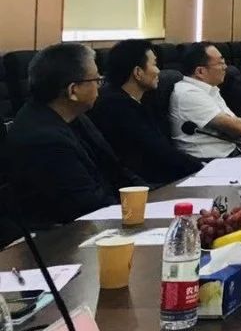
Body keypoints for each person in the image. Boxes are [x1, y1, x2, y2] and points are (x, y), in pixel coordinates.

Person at [2, 43, 146, 228]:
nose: (100, 86)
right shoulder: (43, 140)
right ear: (73, 90)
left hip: (104, 216)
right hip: (64, 235)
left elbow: (115, 169)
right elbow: (87, 205)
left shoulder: (74, 116)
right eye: (97, 80)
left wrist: (146, 198)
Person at [89, 39, 204, 185]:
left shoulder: (146, 98)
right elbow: (158, 150)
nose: (158, 71)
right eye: (154, 64)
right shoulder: (114, 106)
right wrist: (202, 168)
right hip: (140, 186)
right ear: (138, 72)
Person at [170, 42, 241, 160]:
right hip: (210, 162)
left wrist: (237, 127)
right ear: (200, 71)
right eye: (220, 63)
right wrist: (237, 127)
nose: (225, 67)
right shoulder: (188, 93)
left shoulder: (210, 89)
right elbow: (239, 128)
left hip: (231, 154)